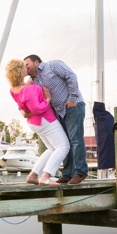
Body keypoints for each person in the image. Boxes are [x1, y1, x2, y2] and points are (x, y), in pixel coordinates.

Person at [23, 54, 87, 185]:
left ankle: (81, 172)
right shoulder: (32, 81)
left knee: (75, 140)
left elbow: (71, 77)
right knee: (66, 143)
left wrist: (72, 98)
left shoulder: (52, 65)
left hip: (73, 106)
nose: (25, 68)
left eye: (27, 64)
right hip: (58, 112)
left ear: (36, 62)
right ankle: (67, 174)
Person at [5, 59, 69, 185]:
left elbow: (23, 106)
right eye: (24, 67)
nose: (26, 69)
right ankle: (45, 177)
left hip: (34, 122)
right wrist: (48, 99)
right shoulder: (27, 90)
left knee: (51, 148)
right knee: (63, 146)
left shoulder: (14, 88)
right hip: (45, 120)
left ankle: (33, 175)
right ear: (20, 71)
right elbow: (37, 109)